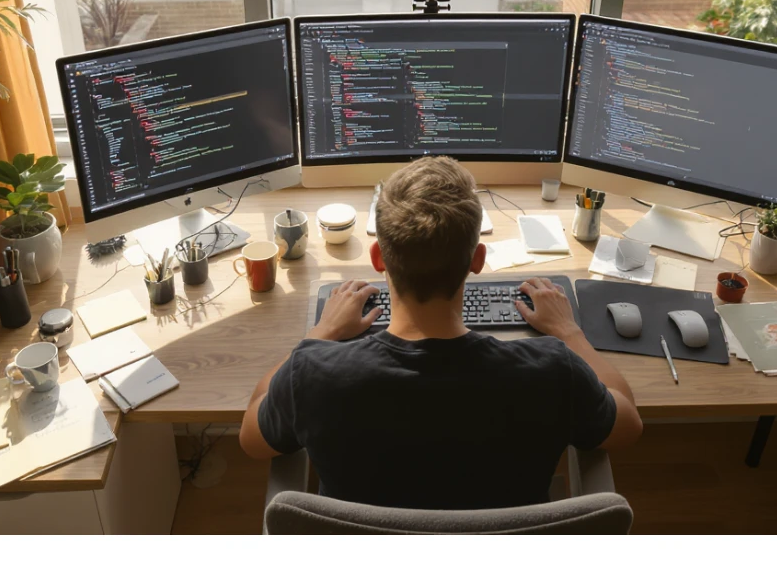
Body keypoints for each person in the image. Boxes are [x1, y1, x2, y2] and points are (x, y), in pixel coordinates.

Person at [239, 157, 643, 510]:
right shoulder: (555, 370)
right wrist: (570, 331)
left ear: (378, 258)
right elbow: (628, 425)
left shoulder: (311, 374)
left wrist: (321, 332)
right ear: (478, 260)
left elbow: (252, 440)